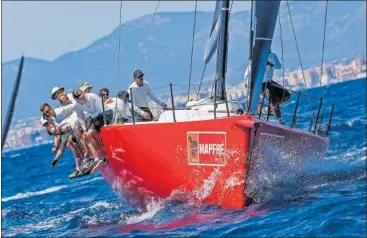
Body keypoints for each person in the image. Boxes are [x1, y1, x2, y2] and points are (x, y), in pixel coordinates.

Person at [244, 51, 290, 124]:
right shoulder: (257, 55)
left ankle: (269, 108)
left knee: (286, 95)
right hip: (261, 82)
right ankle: (279, 119)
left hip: (269, 81)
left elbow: (279, 66)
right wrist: (246, 81)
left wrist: (270, 64)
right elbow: (249, 69)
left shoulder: (273, 55)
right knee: (274, 100)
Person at [72, 88, 111, 173]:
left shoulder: (92, 96)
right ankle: (98, 157)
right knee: (86, 135)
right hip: (95, 118)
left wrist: (91, 117)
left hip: (106, 113)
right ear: (76, 100)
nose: (83, 98)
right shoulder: (77, 105)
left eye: (83, 96)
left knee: (91, 131)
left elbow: (101, 110)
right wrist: (85, 129)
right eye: (81, 98)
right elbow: (81, 117)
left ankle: (101, 157)